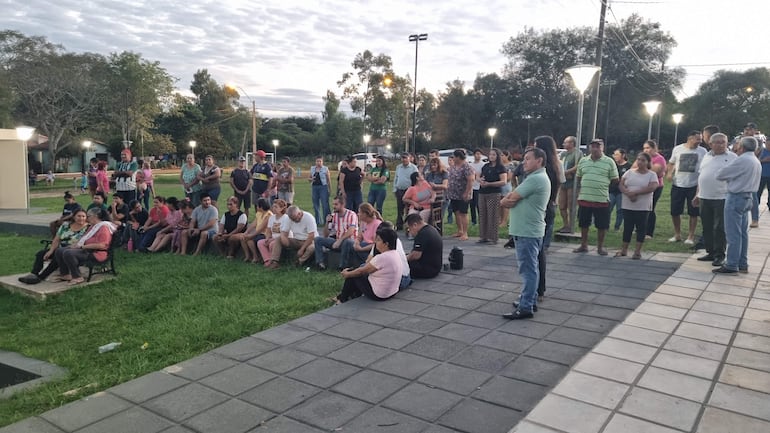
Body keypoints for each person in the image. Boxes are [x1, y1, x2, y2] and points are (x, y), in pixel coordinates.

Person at [501, 148, 551, 320]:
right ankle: (530, 299)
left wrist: (506, 200)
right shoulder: (535, 178)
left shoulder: (535, 179)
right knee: (531, 269)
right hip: (529, 230)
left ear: (539, 161)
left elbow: (510, 199)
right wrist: (511, 199)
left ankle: (526, 306)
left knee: (528, 270)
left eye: (528, 159)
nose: (524, 162)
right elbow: (513, 197)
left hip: (527, 231)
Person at [713, 136, 762, 274]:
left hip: (736, 197)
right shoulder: (754, 160)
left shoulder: (742, 160)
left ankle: (731, 264)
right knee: (742, 233)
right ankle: (742, 263)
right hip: (748, 197)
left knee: (733, 233)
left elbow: (720, 174)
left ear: (742, 147)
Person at [692, 133, 735, 266]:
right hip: (705, 196)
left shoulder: (732, 157)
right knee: (707, 226)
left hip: (722, 197)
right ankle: (710, 252)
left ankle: (719, 254)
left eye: (724, 142)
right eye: (718, 142)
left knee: (719, 228)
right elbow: (701, 176)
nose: (721, 144)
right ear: (710, 144)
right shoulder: (706, 156)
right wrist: (697, 194)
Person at [329, 227, 403, 304]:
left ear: (386, 244)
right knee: (357, 273)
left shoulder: (382, 257)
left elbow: (361, 272)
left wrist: (347, 274)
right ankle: (351, 296)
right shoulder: (395, 254)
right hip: (392, 292)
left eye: (378, 240)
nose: (375, 242)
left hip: (380, 295)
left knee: (353, 274)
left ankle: (341, 300)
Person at [573, 138, 619, 256]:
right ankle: (584, 245)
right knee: (583, 223)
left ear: (602, 148)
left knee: (602, 225)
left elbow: (615, 179)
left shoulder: (609, 161)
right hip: (585, 197)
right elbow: (578, 177)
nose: (595, 149)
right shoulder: (583, 161)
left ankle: (600, 247)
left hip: (601, 198)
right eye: (593, 146)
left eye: (598, 146)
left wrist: (604, 187)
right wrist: (579, 191)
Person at [19, 209, 89, 285]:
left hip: (74, 250)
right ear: (74, 217)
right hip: (60, 248)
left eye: (83, 216)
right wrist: (51, 251)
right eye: (79, 216)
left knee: (57, 255)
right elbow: (56, 239)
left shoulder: (88, 228)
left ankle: (41, 277)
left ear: (86, 217)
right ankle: (33, 274)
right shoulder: (66, 225)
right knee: (41, 253)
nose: (81, 218)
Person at [51, 208, 115, 286]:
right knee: (59, 251)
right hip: (87, 249)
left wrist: (82, 247)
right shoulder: (93, 226)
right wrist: (75, 245)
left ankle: (77, 276)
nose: (87, 218)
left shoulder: (103, 227)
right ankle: (65, 274)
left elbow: (102, 245)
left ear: (95, 216)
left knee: (69, 253)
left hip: (97, 252)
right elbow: (84, 238)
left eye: (88, 216)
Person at [616, 152, 659, 259]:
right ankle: (624, 249)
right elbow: (621, 184)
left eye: (643, 160)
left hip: (643, 206)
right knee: (627, 228)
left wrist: (636, 193)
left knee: (641, 228)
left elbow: (652, 187)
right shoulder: (629, 172)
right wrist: (628, 193)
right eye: (638, 159)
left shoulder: (651, 175)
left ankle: (637, 251)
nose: (640, 162)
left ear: (648, 162)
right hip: (628, 205)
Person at [667, 131, 707, 244]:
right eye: (697, 139)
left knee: (693, 212)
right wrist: (670, 173)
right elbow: (671, 163)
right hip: (678, 184)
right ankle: (677, 234)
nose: (699, 141)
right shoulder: (678, 149)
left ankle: (690, 236)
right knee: (675, 211)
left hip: (694, 185)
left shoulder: (703, 151)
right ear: (690, 138)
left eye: (700, 139)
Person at [314, 196, 358, 270]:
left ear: (343, 204)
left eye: (336, 204)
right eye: (333, 204)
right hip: (337, 241)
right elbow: (325, 235)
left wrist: (339, 240)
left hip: (350, 242)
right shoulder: (334, 216)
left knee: (346, 242)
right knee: (318, 239)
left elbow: (351, 230)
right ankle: (320, 263)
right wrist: (327, 222)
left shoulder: (351, 214)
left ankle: (343, 266)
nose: (334, 207)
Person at [477, 148, 507, 244]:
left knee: (493, 215)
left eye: (494, 155)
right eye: (490, 154)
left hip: (494, 193)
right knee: (482, 214)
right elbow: (479, 176)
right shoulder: (485, 166)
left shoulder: (501, 168)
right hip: (482, 192)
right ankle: (483, 236)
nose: (491, 156)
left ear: (497, 156)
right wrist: (480, 180)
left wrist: (490, 184)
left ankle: (493, 237)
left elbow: (503, 181)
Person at [233, 198, 272, 263]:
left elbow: (261, 228)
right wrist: (246, 232)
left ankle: (255, 256)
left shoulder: (269, 215)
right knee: (243, 238)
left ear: (261, 206)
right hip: (258, 233)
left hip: (265, 234)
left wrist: (251, 235)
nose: (256, 207)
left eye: (257, 205)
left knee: (249, 240)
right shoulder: (259, 213)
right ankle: (247, 256)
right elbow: (253, 224)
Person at [447, 149, 474, 240]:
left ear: (458, 157)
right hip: (454, 194)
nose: (453, 158)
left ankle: (465, 233)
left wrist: (466, 192)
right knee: (456, 212)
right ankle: (460, 230)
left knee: (463, 213)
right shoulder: (453, 166)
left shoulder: (467, 167)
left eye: (454, 157)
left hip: (463, 193)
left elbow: (471, 180)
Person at [405, 213, 442, 279]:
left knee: (399, 265)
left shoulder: (422, 235)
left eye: (409, 229)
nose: (409, 232)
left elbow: (415, 255)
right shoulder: (431, 229)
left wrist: (403, 260)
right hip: (435, 266)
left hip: (427, 270)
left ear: (415, 225)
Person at [643, 140, 667, 239]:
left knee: (650, 208)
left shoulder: (659, 159)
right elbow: (634, 168)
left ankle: (649, 232)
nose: (646, 150)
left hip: (656, 186)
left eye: (648, 148)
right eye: (644, 148)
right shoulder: (643, 157)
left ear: (654, 148)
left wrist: (644, 167)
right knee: (642, 208)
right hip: (644, 185)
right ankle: (640, 229)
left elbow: (653, 172)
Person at [346, 203, 382, 268]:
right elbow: (359, 237)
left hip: (372, 248)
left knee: (356, 248)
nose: (358, 214)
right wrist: (356, 243)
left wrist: (362, 249)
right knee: (349, 243)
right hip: (363, 245)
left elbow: (376, 244)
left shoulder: (377, 224)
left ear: (365, 214)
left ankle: (361, 267)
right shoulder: (363, 222)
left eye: (359, 212)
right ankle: (350, 266)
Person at [257, 199, 289, 265]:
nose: (273, 208)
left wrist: (272, 239)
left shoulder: (286, 218)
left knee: (272, 244)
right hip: (272, 238)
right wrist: (267, 238)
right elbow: (268, 231)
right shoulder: (272, 217)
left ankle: (273, 261)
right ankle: (267, 260)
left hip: (282, 239)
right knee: (260, 243)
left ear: (282, 208)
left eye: (276, 207)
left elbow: (284, 233)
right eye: (273, 206)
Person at [393, 153, 418, 231]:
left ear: (409, 158)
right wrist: (395, 189)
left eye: (405, 158)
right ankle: (399, 225)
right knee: (400, 208)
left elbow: (416, 179)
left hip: (409, 190)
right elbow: (396, 178)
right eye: (402, 158)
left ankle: (409, 225)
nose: (404, 160)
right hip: (400, 190)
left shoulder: (413, 168)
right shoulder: (398, 167)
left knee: (409, 208)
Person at [609, 148, 632, 231]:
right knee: (608, 209)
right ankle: (605, 226)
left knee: (620, 210)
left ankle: (617, 227)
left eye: (617, 154)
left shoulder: (629, 166)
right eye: (614, 154)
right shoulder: (612, 165)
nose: (615, 156)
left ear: (623, 155)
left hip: (622, 192)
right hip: (611, 191)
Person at [425, 157, 449, 229]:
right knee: (431, 216)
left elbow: (445, 186)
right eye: (431, 165)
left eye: (434, 165)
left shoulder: (444, 173)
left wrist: (436, 186)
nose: (433, 167)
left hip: (442, 197)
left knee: (439, 216)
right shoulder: (429, 174)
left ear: (438, 165)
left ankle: (438, 232)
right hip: (431, 197)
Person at [309, 156, 332, 225]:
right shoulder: (312, 168)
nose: (318, 163)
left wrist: (329, 189)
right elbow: (309, 178)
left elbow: (328, 179)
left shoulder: (325, 169)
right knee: (315, 204)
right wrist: (311, 179)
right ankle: (317, 221)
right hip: (315, 187)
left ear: (322, 162)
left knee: (325, 204)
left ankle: (327, 221)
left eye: (320, 161)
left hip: (323, 187)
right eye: (317, 161)